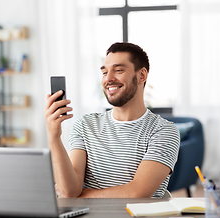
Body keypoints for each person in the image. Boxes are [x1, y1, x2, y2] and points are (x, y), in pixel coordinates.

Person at [44, 42, 180, 198]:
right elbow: (70, 190)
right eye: (104, 72)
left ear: (141, 75)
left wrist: (82, 196)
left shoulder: (163, 131)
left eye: (118, 70)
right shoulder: (85, 125)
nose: (108, 78)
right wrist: (54, 136)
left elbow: (138, 193)